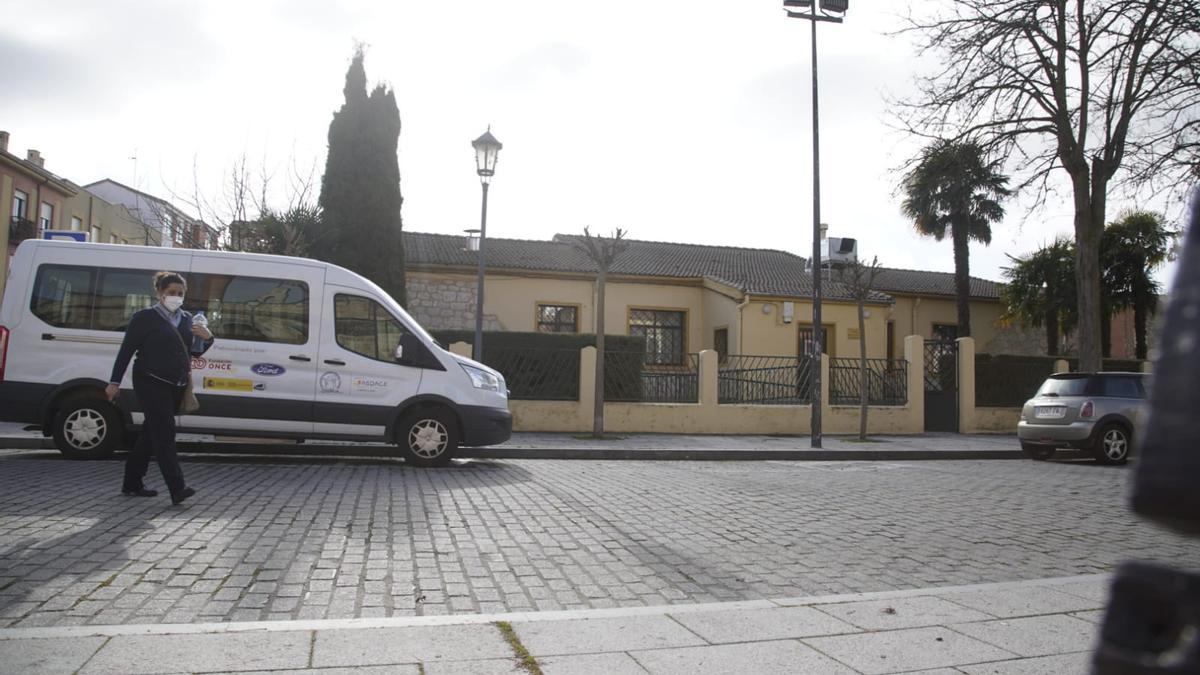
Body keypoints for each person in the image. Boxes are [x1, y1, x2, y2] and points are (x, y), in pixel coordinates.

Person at [105, 271, 213, 505]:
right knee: (165, 432)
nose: (176, 297)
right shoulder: (144, 318)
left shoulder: (186, 319)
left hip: (175, 384)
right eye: (171, 293)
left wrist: (208, 338)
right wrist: (114, 382)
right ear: (160, 293)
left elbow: (193, 352)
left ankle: (131, 482)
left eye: (180, 293)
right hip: (149, 380)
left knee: (150, 434)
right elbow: (126, 351)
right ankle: (177, 488)